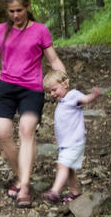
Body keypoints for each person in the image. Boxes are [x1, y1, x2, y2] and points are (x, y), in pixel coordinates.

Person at [0, 0, 66, 208]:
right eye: (11, 11)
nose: (16, 15)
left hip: (31, 89)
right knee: (1, 131)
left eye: (19, 10)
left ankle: (23, 186)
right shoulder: (2, 30)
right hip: (6, 88)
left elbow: (54, 59)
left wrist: (64, 82)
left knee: (26, 129)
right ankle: (22, 176)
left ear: (28, 7)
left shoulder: (40, 31)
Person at [41, 69, 102, 204]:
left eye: (54, 89)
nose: (52, 94)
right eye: (49, 92)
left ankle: (55, 192)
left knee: (62, 165)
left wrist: (93, 95)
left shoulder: (73, 95)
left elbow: (84, 99)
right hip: (67, 143)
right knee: (69, 168)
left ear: (65, 84)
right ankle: (75, 192)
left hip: (74, 142)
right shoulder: (62, 101)